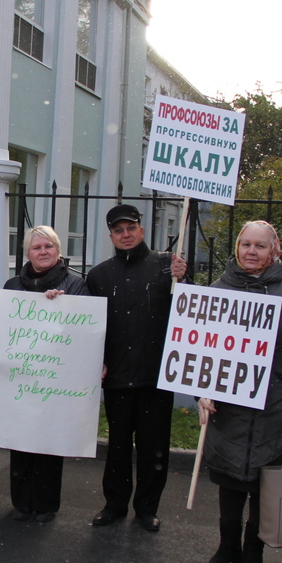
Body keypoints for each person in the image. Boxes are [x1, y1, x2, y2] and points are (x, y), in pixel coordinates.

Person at [198, 220, 282, 563]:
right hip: (229, 407)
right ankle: (227, 547)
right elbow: (201, 349)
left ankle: (254, 551)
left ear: (274, 250)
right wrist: (202, 391)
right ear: (237, 248)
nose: (251, 251)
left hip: (276, 407)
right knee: (231, 482)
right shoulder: (219, 289)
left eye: (260, 246)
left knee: (265, 484)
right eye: (246, 244)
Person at [86, 204, 186, 532]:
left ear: (142, 230)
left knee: (153, 446)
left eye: (131, 228)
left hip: (157, 375)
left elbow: (189, 311)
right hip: (116, 376)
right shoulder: (99, 275)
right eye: (119, 230)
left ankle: (147, 508)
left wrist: (184, 280)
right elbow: (89, 324)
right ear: (111, 236)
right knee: (116, 446)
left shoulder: (167, 266)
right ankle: (113, 504)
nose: (126, 235)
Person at [0, 226, 88, 522]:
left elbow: (83, 332)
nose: (43, 252)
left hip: (55, 379)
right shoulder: (14, 285)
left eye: (48, 247)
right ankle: (22, 502)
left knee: (50, 441)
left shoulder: (75, 285)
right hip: (21, 378)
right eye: (36, 247)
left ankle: (46, 504)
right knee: (21, 439)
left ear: (58, 251)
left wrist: (62, 305)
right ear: (27, 253)